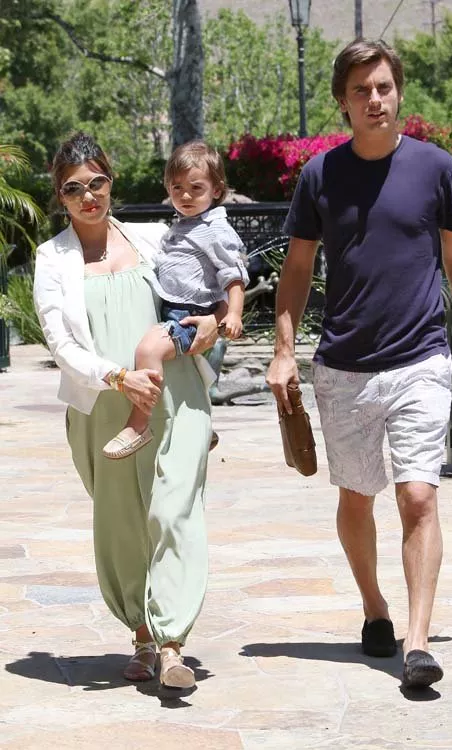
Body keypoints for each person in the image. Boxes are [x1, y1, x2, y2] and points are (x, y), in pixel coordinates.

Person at [266, 39, 452, 689]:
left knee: (418, 495)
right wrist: (284, 351)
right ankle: (375, 609)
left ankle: (417, 642)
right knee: (357, 498)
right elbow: (298, 268)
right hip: (344, 367)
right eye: (361, 90)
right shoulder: (320, 176)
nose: (374, 99)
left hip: (420, 356)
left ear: (400, 92)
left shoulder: (434, 167)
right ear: (343, 101)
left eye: (384, 87)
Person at [33, 131, 224, 689]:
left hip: (176, 394)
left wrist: (214, 321)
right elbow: (61, 345)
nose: (89, 196)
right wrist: (119, 376)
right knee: (122, 524)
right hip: (104, 406)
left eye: (97, 182)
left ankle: (172, 643)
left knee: (174, 510)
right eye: (74, 189)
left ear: (111, 182)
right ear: (60, 196)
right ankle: (142, 634)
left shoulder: (154, 237)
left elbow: (204, 288)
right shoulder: (51, 259)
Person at [102, 140, 249, 459]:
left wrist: (233, 314)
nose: (185, 196)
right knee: (182, 374)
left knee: (148, 351)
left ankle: (138, 424)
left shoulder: (215, 229)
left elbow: (234, 275)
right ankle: (201, 426)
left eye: (196, 188)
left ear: (216, 190)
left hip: (190, 313)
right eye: (177, 188)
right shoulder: (181, 226)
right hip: (173, 309)